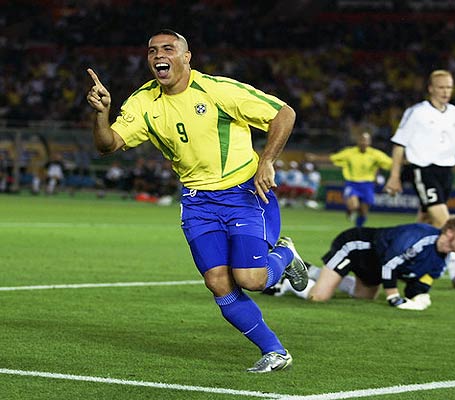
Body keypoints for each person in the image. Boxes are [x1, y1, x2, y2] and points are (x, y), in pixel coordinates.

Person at [86, 29, 308, 373]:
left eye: (168, 49)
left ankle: (286, 253)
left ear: (186, 57)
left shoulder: (218, 90)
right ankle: (275, 350)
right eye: (152, 51)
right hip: (197, 203)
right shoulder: (144, 102)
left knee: (251, 280)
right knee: (218, 282)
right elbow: (108, 144)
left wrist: (266, 161)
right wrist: (102, 113)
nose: (159, 55)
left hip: (244, 194)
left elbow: (284, 114)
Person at [384, 70, 455, 289]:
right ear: (431, 88)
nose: (445, 91)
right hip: (423, 169)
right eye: (441, 87)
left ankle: (404, 261)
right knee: (444, 222)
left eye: (449, 87)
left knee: (425, 224)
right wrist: (394, 176)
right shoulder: (416, 112)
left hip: (446, 172)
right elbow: (399, 144)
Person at [264, 215, 455, 310]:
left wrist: (419, 298)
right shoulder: (420, 237)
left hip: (374, 263)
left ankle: (311, 270)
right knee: (317, 297)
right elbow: (390, 266)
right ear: (450, 232)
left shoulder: (441, 259)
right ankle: (287, 277)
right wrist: (394, 297)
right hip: (355, 246)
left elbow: (422, 283)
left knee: (364, 297)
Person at [312, 132, 392, 227]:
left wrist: (404, 161)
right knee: (354, 205)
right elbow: (333, 158)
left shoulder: (376, 154)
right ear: (358, 141)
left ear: (370, 142)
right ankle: (350, 211)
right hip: (352, 184)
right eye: (361, 140)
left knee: (363, 212)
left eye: (365, 140)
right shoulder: (350, 152)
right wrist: (316, 158)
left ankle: (358, 228)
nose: (363, 142)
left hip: (367, 185)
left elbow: (390, 163)